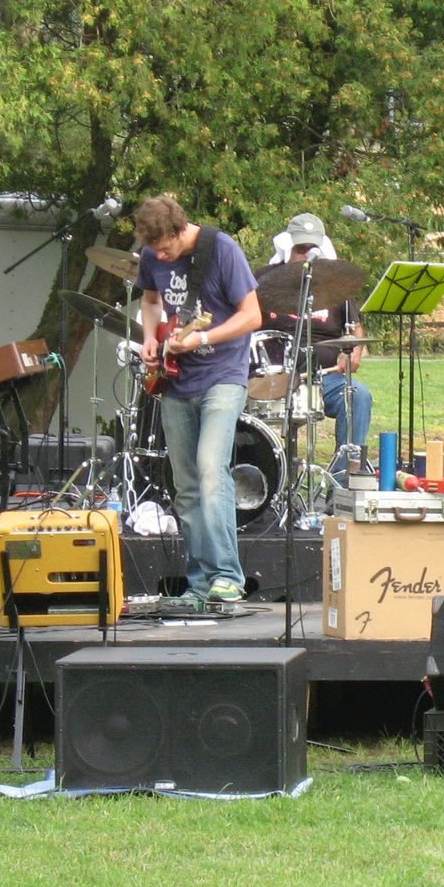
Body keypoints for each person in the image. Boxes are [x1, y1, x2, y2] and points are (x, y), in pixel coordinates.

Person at [135, 193, 261, 605]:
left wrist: (202, 337)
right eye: (154, 250)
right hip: (175, 381)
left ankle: (227, 576)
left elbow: (252, 315)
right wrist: (149, 339)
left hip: (223, 375)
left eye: (165, 248)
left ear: (179, 229)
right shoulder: (151, 254)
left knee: (210, 469)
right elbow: (150, 300)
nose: (160, 256)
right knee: (186, 485)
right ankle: (201, 582)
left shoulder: (221, 249)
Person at [257, 212, 372, 474]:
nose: (307, 255)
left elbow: (355, 328)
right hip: (273, 378)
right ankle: (260, 479)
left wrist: (354, 351)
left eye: (312, 249)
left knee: (358, 395)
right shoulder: (264, 280)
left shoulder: (336, 285)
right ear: (289, 247)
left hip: (325, 379)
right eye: (301, 249)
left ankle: (343, 480)